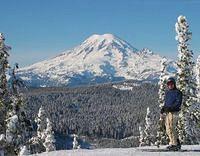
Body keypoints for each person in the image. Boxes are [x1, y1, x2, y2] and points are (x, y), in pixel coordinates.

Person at [160, 77, 182, 151]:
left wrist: (171, 108)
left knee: (171, 127)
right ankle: (175, 142)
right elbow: (167, 103)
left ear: (174, 84)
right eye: (168, 84)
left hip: (174, 112)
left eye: (171, 84)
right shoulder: (168, 92)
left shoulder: (178, 92)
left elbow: (178, 103)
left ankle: (174, 144)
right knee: (167, 128)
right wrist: (163, 108)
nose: (170, 85)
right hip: (168, 112)